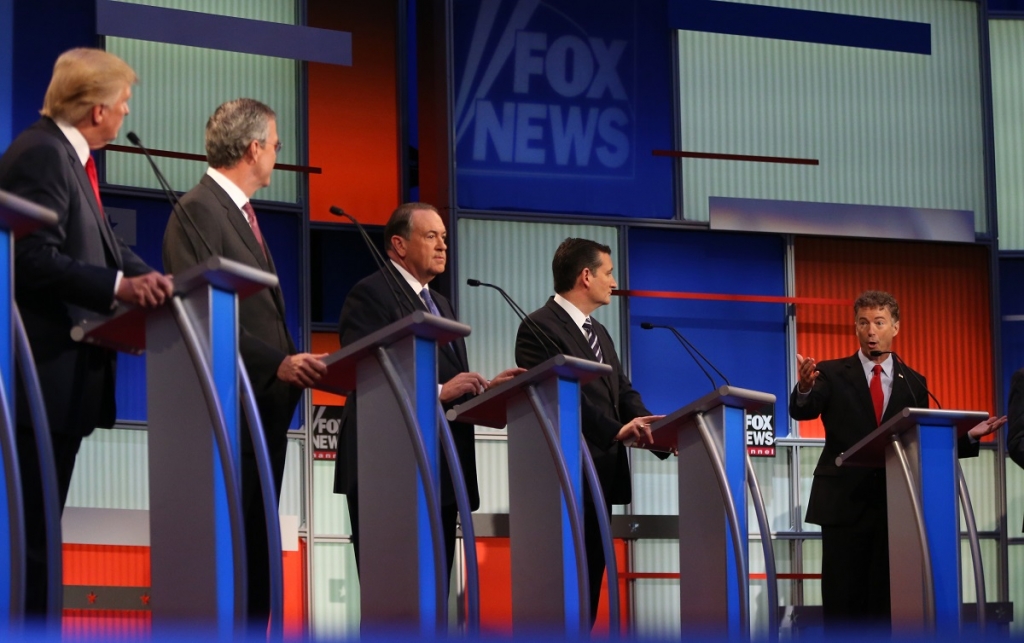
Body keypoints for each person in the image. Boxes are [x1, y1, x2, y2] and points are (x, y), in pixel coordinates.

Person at [0, 47, 174, 615]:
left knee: (41, 536)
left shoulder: (70, 160)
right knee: (30, 543)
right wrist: (119, 289)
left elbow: (105, 245)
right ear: (97, 110)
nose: (125, 116)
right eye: (123, 105)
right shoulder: (42, 155)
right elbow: (29, 260)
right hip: (38, 383)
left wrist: (162, 282)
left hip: (60, 386)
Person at [162, 98, 327, 625]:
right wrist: (274, 362)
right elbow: (202, 311)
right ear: (253, 148)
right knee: (232, 553)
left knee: (255, 549)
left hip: (262, 412)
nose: (278, 153)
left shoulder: (236, 212)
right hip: (229, 410)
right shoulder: (199, 209)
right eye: (276, 144)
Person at [791, 290, 1004, 632]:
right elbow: (804, 409)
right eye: (863, 323)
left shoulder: (914, 381)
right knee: (843, 601)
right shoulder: (830, 373)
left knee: (886, 602)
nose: (870, 331)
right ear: (855, 327)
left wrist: (967, 437)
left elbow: (919, 439)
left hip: (896, 506)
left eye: (878, 322)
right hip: (843, 504)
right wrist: (803, 388)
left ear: (895, 327)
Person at [333, 202, 522, 581]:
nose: (443, 246)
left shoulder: (443, 305)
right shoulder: (370, 294)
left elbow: (450, 387)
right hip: (389, 471)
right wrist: (437, 390)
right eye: (431, 236)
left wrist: (486, 391)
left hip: (443, 471)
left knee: (435, 595)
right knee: (393, 595)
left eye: (445, 238)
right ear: (399, 245)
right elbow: (365, 375)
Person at [514, 237, 664, 627]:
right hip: (564, 481)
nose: (614, 281)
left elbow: (623, 391)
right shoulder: (538, 328)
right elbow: (563, 402)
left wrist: (657, 431)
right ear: (586, 276)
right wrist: (617, 431)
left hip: (601, 480)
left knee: (589, 592)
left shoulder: (599, 331)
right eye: (608, 273)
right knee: (561, 594)